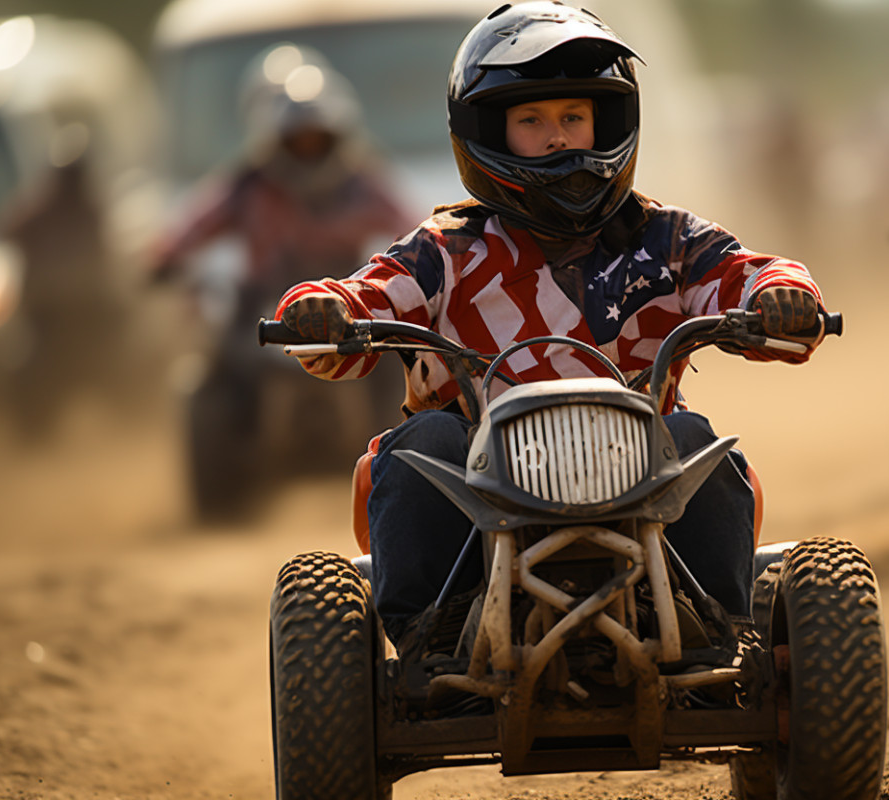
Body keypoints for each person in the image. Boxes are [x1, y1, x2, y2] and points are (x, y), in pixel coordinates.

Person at [274, 1, 830, 647]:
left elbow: (749, 273)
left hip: (641, 472)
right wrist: (322, 312)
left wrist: (783, 296)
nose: (558, 137)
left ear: (608, 120)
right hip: (484, 487)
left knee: (695, 438)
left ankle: (713, 630)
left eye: (574, 116)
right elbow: (362, 295)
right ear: (486, 131)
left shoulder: (667, 239)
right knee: (422, 443)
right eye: (532, 120)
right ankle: (433, 639)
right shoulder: (446, 248)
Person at [151, 44, 417, 459]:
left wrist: (427, 262)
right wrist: (163, 257)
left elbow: (411, 226)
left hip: (346, 299)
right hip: (260, 305)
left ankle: (395, 455)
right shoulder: (249, 184)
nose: (309, 150)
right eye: (298, 141)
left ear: (338, 137)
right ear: (275, 141)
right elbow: (195, 223)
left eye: (318, 140)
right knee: (214, 372)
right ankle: (232, 461)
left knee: (398, 363)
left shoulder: (361, 180)